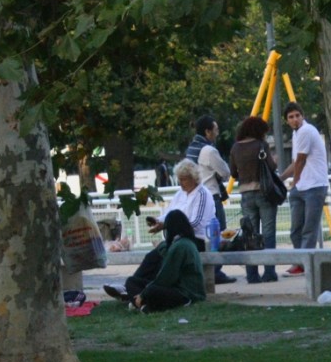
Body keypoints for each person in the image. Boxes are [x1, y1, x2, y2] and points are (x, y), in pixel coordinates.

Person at [103, 159, 214, 301]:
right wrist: (158, 221)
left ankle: (142, 289)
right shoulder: (180, 194)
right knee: (152, 256)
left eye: (184, 179)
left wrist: (167, 225)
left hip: (196, 239)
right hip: (177, 238)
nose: (180, 183)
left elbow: (196, 222)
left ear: (194, 178)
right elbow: (168, 213)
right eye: (179, 179)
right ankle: (134, 285)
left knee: (165, 259)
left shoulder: (202, 194)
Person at [279, 102, 328, 277]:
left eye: (297, 115)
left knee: (309, 228)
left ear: (303, 115)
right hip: (301, 186)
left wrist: (295, 180)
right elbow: (294, 162)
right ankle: (300, 261)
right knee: (295, 229)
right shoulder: (296, 134)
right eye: (291, 117)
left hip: (314, 185)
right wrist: (281, 178)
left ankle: (304, 264)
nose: (295, 119)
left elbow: (301, 160)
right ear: (286, 120)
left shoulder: (307, 131)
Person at [229, 116, 279, 283]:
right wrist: (275, 161)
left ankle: (252, 274)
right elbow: (271, 167)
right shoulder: (261, 145)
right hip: (264, 193)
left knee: (249, 234)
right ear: (258, 131)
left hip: (245, 194)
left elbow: (233, 173)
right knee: (268, 232)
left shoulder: (235, 148)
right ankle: (269, 272)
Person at [186, 115, 236, 284]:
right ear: (207, 132)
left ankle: (205, 271)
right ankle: (216, 272)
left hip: (197, 197)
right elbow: (225, 171)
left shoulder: (191, 149)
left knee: (202, 235)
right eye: (215, 129)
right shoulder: (209, 151)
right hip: (212, 196)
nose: (217, 133)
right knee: (218, 234)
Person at [127, 210, 206, 313]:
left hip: (186, 293)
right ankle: (145, 305)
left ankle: (143, 304)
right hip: (177, 287)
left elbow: (166, 278)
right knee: (132, 282)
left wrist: (143, 293)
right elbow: (166, 250)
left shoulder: (180, 246)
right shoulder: (183, 243)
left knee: (151, 290)